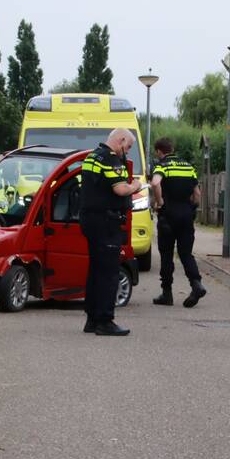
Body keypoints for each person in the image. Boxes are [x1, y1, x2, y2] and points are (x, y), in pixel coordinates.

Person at [79, 128, 145, 336]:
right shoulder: (110, 159)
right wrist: (136, 185)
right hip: (106, 221)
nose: (128, 151)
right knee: (109, 273)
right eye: (129, 146)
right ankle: (105, 321)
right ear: (121, 140)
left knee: (96, 271)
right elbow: (120, 189)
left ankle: (92, 318)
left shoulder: (92, 156)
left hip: (90, 219)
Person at [149, 137, 207, 308]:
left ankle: (167, 294)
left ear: (160, 152)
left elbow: (155, 183)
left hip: (168, 216)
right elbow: (197, 193)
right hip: (186, 215)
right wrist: (191, 208)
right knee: (186, 253)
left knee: (167, 255)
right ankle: (196, 284)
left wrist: (160, 202)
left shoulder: (162, 166)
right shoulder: (188, 167)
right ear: (172, 148)